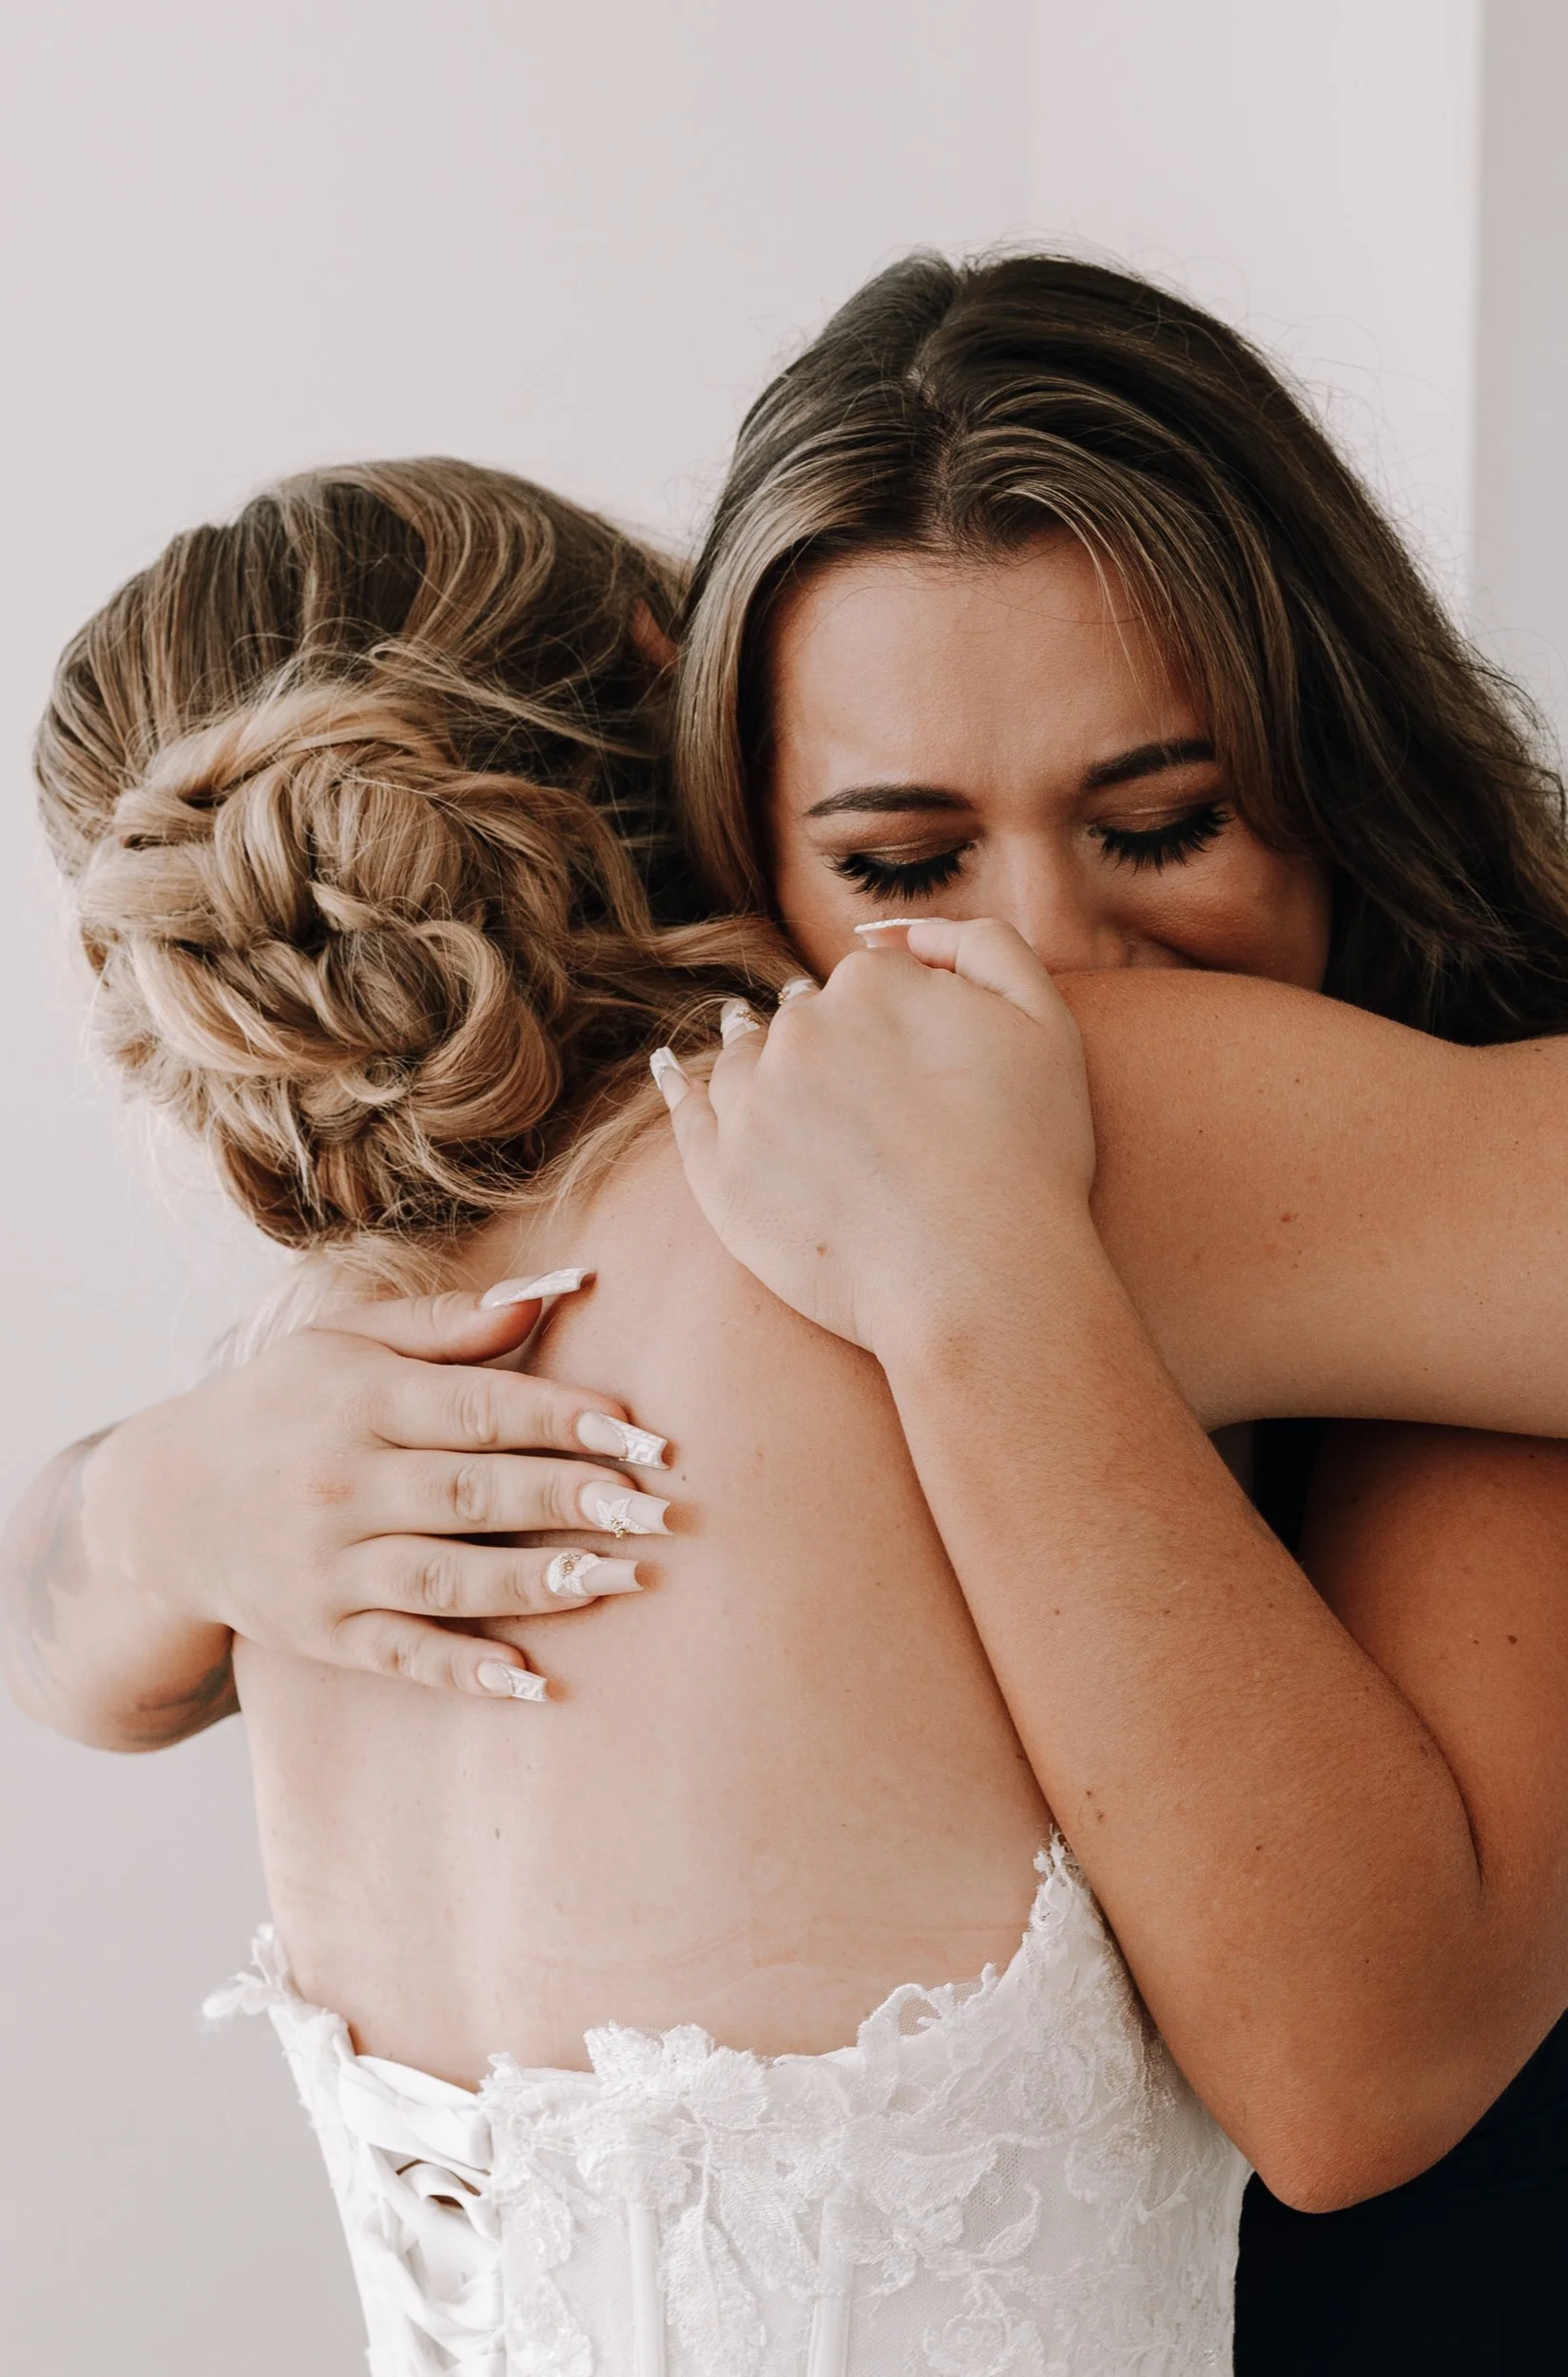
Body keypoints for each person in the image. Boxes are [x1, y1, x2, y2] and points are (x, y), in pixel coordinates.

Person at [10, 257, 1568, 2373]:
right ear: (708, 764)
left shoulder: (438, 1268)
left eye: (1161, 818)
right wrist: (154, 1496)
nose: (1034, 958)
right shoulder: (937, 1128)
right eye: (899, 862)